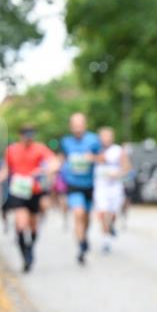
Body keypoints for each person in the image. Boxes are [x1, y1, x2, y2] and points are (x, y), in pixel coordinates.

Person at [0, 125, 58, 272]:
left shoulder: (40, 148)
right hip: (18, 191)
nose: (29, 138)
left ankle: (31, 246)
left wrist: (45, 169)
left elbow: (54, 162)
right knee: (21, 224)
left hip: (34, 190)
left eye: (31, 135)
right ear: (20, 135)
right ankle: (26, 256)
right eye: (26, 135)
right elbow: (6, 169)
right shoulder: (11, 150)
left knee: (33, 225)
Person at [60, 113, 101, 265]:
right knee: (78, 213)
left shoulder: (93, 140)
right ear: (71, 126)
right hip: (73, 184)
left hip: (89, 185)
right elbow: (61, 159)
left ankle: (84, 236)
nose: (77, 127)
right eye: (74, 124)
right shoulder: (65, 142)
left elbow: (102, 158)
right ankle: (82, 245)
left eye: (80, 124)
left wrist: (94, 158)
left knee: (86, 217)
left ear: (85, 124)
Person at [93, 127, 130, 253]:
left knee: (112, 213)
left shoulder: (118, 151)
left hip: (114, 186)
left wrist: (118, 173)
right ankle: (106, 240)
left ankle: (111, 225)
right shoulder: (95, 150)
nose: (106, 139)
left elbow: (126, 167)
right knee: (103, 212)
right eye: (103, 136)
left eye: (108, 136)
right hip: (100, 186)